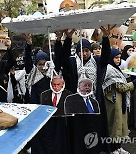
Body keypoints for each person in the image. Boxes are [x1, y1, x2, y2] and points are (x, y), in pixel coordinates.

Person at [54, 25, 115, 153]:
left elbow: (106, 56)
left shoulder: (97, 61)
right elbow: (62, 59)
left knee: (93, 129)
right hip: (76, 105)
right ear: (77, 52)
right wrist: (68, 38)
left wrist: (105, 37)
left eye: (87, 50)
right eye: (81, 50)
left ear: (90, 51)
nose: (84, 53)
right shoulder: (72, 62)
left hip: (93, 103)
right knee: (78, 131)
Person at [102, 48, 136, 154]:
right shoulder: (109, 69)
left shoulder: (116, 68)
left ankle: (118, 147)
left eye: (119, 58)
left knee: (120, 125)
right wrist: (135, 82)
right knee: (115, 126)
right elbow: (122, 87)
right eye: (116, 58)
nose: (118, 60)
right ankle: (113, 149)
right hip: (113, 102)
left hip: (120, 102)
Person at [31, 76, 72, 154]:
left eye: (58, 85)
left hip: (62, 126)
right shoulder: (44, 94)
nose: (55, 87)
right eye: (54, 85)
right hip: (48, 125)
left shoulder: (69, 95)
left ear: (62, 84)